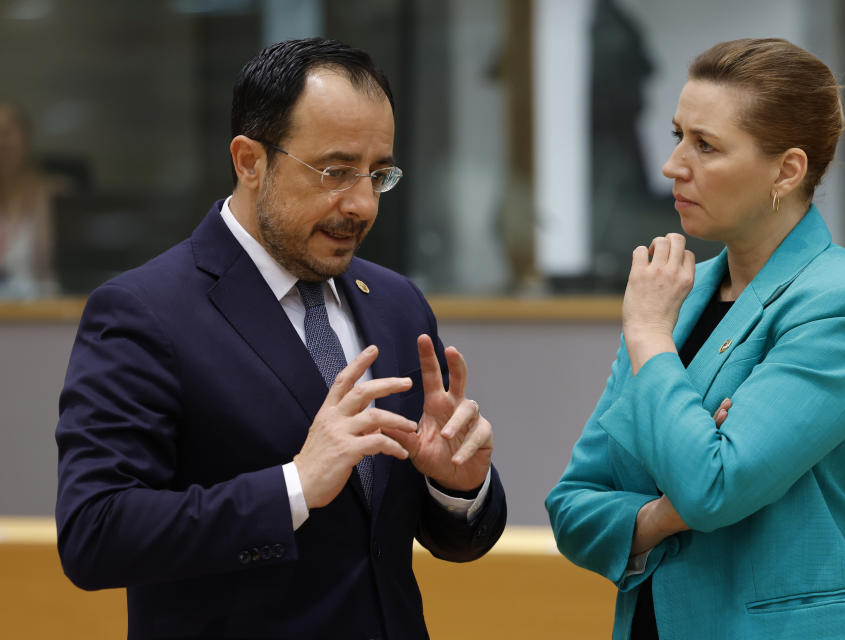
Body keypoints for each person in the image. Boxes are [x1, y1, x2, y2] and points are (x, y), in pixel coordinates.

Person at [56, 38, 507, 639]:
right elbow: (95, 532)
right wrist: (293, 486)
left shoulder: (398, 304)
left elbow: (412, 543)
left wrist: (458, 487)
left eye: (379, 174)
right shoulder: (144, 312)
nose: (363, 204)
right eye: (336, 171)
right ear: (249, 161)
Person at [546, 38, 845, 639]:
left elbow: (710, 489)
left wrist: (650, 336)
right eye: (677, 134)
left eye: (705, 145)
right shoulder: (676, 295)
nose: (673, 165)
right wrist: (660, 516)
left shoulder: (843, 304)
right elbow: (573, 507)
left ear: (786, 170)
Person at [0, 100, 57, 298]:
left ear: (25, 138)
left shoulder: (52, 195)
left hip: (42, 314)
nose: (2, 142)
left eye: (7, 132)